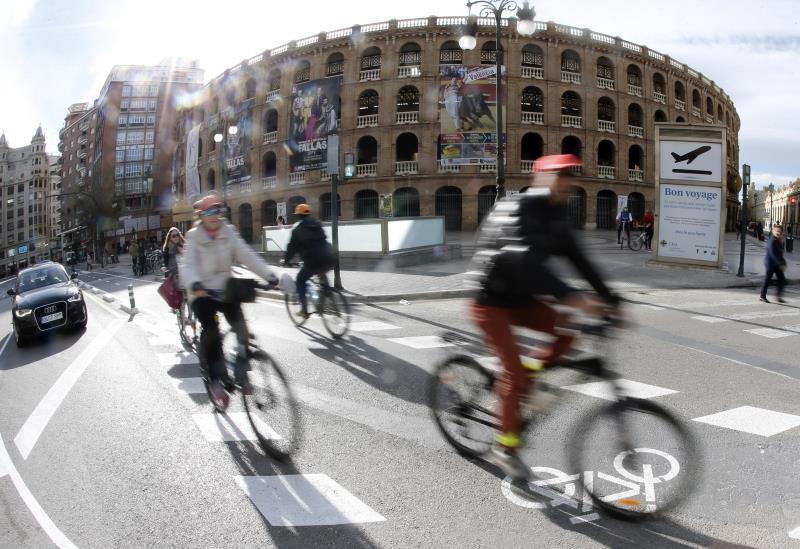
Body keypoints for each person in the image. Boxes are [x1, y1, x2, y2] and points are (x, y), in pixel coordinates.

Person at [468, 154, 618, 480]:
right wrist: (572, 297)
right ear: (539, 177)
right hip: (489, 302)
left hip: (523, 299)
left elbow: (580, 259)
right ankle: (505, 448)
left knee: (568, 331)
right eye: (559, 176)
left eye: (569, 176)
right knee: (512, 375)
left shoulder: (555, 216)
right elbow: (522, 262)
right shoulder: (517, 209)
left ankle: (528, 375)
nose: (566, 183)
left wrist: (611, 299)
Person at [182, 193, 279, 409]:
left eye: (217, 210)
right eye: (208, 212)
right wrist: (195, 285)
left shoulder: (229, 232)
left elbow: (247, 255)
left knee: (241, 326)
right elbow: (187, 265)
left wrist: (269, 275)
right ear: (201, 215)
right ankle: (216, 379)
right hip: (202, 291)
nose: (214, 216)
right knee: (212, 330)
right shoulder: (193, 236)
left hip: (225, 288)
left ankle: (242, 371)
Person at [282, 203, 335, 318]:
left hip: (312, 262)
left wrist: (286, 260)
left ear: (298, 215)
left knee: (300, 281)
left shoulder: (297, 229)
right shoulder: (317, 223)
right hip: (329, 257)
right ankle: (327, 293)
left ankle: (304, 310)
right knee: (322, 271)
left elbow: (291, 248)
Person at [760, 224, 787, 304]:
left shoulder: (779, 240)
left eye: (780, 231)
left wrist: (783, 262)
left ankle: (778, 296)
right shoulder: (771, 241)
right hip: (770, 263)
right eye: (777, 231)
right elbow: (773, 254)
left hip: (776, 263)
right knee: (767, 280)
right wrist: (780, 263)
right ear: (773, 231)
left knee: (782, 279)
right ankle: (762, 296)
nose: (778, 233)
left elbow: (780, 253)